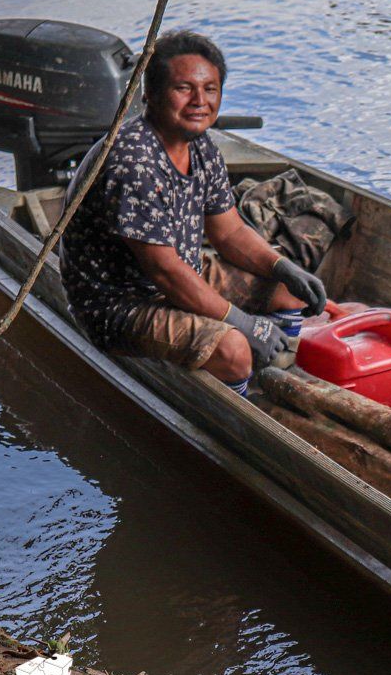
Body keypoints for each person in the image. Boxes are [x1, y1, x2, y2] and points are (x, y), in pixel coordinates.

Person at [61, 30, 327, 399]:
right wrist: (244, 324)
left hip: (183, 273)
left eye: (211, 89)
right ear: (150, 95)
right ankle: (246, 407)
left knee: (286, 292)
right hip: (121, 305)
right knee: (233, 348)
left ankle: (272, 377)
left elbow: (230, 233)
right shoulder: (133, 162)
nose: (200, 101)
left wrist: (285, 267)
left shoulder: (201, 147)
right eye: (183, 89)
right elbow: (165, 272)